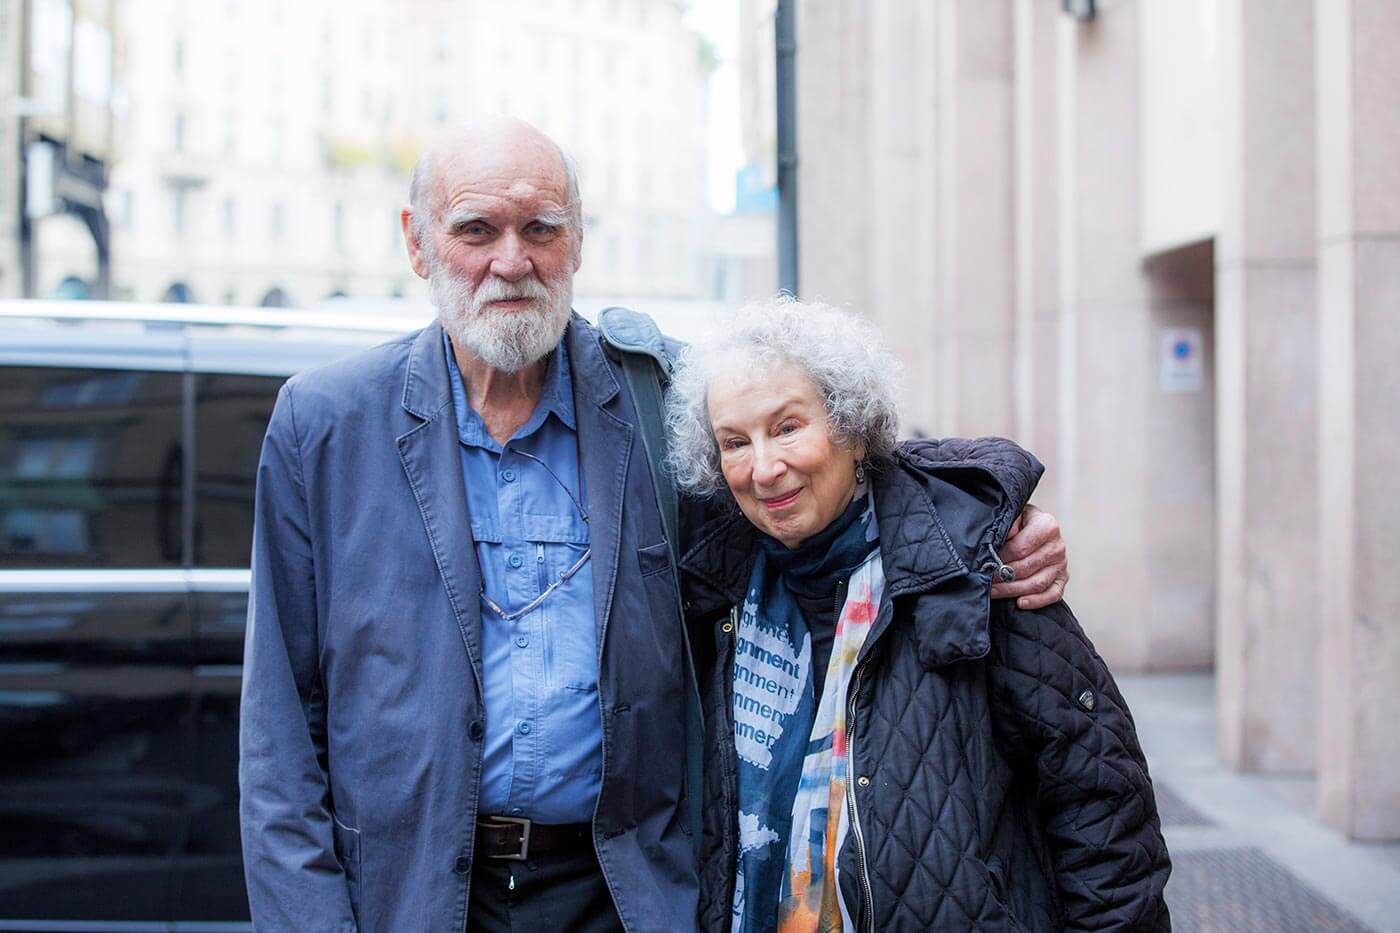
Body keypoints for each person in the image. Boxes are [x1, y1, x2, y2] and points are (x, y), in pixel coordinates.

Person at [237, 117, 1071, 932]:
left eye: (541, 228)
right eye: (476, 229)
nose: (512, 259)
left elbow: (831, 468)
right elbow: (278, 737)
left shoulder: (665, 398)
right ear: (418, 242)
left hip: (625, 893)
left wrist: (996, 512)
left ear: (577, 241)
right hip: (410, 894)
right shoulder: (325, 424)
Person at [666, 297, 1171, 932]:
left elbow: (1101, 804)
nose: (764, 468)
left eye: (789, 427)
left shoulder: (971, 569)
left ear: (850, 425)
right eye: (734, 442)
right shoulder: (713, 593)